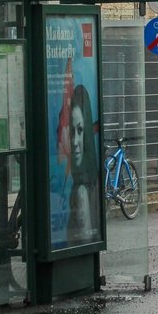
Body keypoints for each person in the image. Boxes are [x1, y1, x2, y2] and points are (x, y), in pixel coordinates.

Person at [63, 83, 98, 244]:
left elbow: (83, 241)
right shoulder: (90, 182)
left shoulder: (81, 191)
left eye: (80, 130)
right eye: (72, 131)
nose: (75, 141)